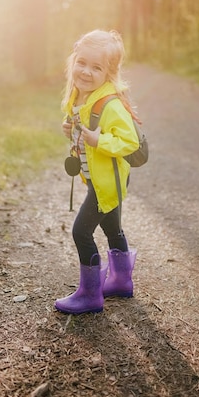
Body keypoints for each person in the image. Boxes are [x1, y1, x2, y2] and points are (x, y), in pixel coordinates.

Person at [54, 29, 140, 315]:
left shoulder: (110, 104)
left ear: (109, 73)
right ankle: (121, 281)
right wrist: (72, 131)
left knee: (81, 231)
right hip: (99, 178)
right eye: (82, 62)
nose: (86, 71)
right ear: (73, 61)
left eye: (96, 67)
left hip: (108, 180)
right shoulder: (82, 96)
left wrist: (98, 140)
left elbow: (130, 141)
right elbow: (84, 130)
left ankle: (90, 295)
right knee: (111, 226)